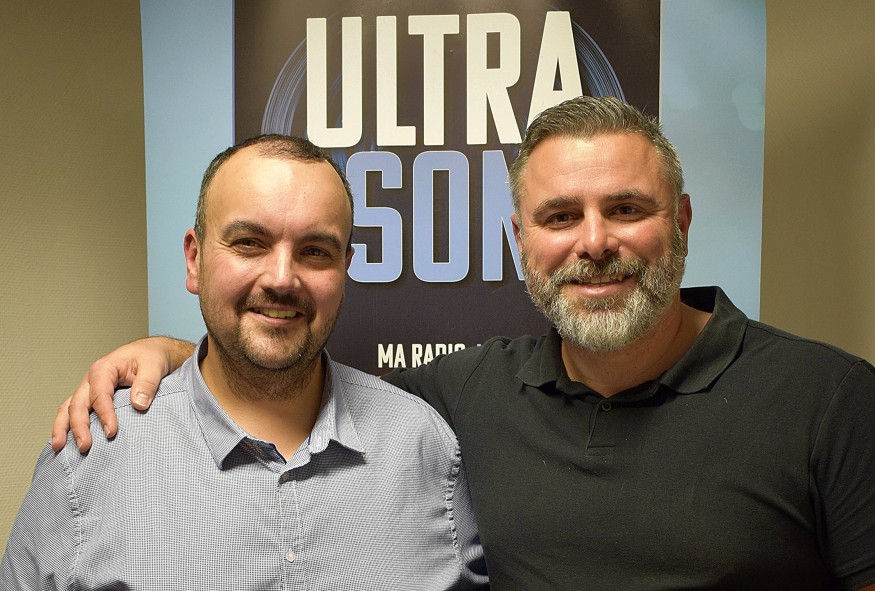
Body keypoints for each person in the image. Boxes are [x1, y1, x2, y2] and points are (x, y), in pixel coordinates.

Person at [47, 97, 875, 590]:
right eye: (559, 216)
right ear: (520, 241)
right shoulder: (452, 405)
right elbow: (281, 367)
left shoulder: (830, 401)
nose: (593, 242)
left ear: (681, 222)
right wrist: (175, 353)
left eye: (625, 208)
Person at [1, 135, 487, 590]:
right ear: (195, 260)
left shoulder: (425, 450)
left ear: (345, 269)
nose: (282, 278)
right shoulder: (91, 460)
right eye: (249, 243)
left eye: (315, 251)